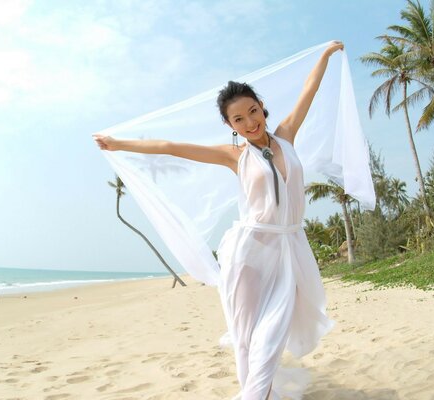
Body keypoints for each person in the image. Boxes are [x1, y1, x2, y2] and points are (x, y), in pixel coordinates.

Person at [94, 41, 343, 400]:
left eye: (253, 112)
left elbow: (309, 90)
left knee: (271, 333)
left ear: (262, 109)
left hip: (289, 248)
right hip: (250, 252)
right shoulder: (235, 157)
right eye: (238, 119)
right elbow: (170, 147)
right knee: (244, 336)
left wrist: (323, 56)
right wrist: (119, 144)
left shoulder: (286, 136)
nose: (249, 122)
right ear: (229, 125)